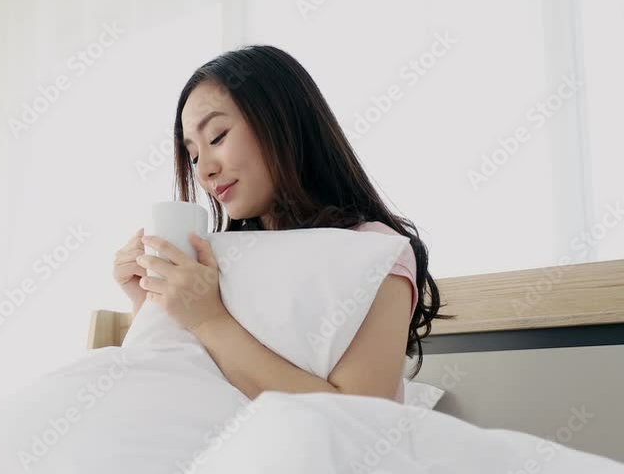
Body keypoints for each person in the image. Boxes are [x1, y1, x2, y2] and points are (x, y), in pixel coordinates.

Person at [111, 45, 448, 403]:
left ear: (282, 122)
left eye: (217, 138)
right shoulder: (217, 259)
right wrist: (146, 301)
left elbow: (359, 417)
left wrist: (209, 320)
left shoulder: (374, 252)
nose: (204, 169)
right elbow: (183, 383)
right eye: (193, 155)